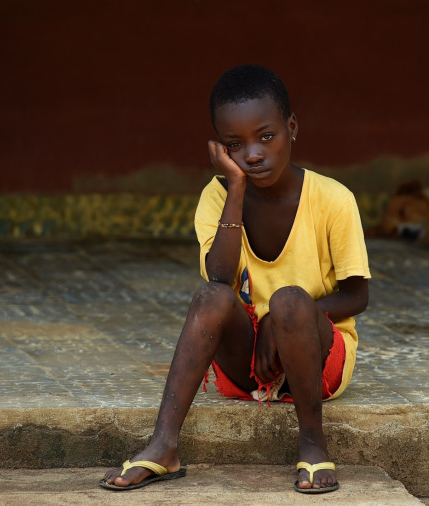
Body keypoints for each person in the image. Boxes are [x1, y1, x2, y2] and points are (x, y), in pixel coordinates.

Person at [100, 64, 370, 493]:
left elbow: (357, 296)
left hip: (316, 359)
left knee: (289, 301)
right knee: (210, 297)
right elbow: (221, 278)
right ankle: (163, 445)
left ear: (292, 128)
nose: (253, 153)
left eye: (266, 137)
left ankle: (313, 444)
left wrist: (279, 326)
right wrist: (236, 188)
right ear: (221, 149)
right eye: (235, 144)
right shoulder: (217, 195)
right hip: (248, 368)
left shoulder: (334, 199)